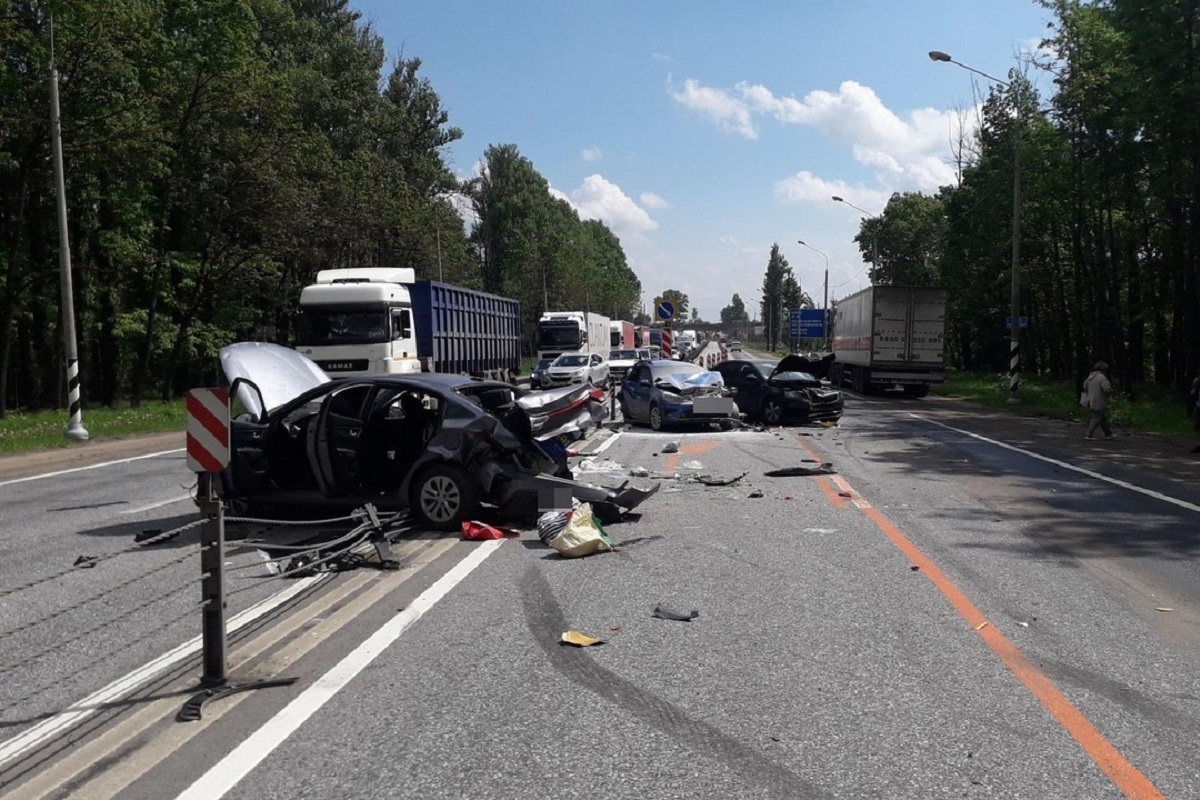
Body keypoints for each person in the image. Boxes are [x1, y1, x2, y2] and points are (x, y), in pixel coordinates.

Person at [1082, 360, 1114, 440]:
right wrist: (1111, 391)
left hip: (1091, 400)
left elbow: (1085, 387)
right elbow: (1106, 389)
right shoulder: (1102, 378)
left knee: (1102, 417)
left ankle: (1108, 434)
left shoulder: (1090, 377)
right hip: (1100, 400)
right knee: (1098, 417)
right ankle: (1088, 434)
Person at [1189, 373, 1200, 453]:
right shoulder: (1198, 381)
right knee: (1197, 426)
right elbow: (1192, 393)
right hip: (1198, 406)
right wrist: (1195, 385)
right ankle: (1198, 445)